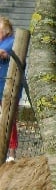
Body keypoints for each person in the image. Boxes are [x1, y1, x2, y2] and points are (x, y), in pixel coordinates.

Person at [0, 16, 18, 162]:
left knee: (9, 120)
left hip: (8, 89)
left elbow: (2, 54)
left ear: (5, 30)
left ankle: (11, 154)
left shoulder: (11, 42)